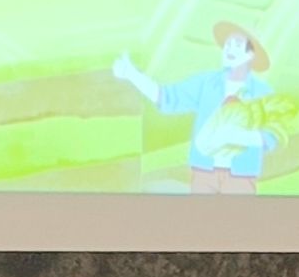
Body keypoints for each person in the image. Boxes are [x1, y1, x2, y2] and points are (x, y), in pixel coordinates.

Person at [113, 21, 277, 192]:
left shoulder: (263, 93)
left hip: (241, 177)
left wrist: (239, 136)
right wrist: (132, 75)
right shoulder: (206, 83)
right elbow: (168, 97)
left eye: (237, 44)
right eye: (227, 44)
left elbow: (272, 135)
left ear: (251, 54)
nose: (229, 49)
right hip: (204, 173)